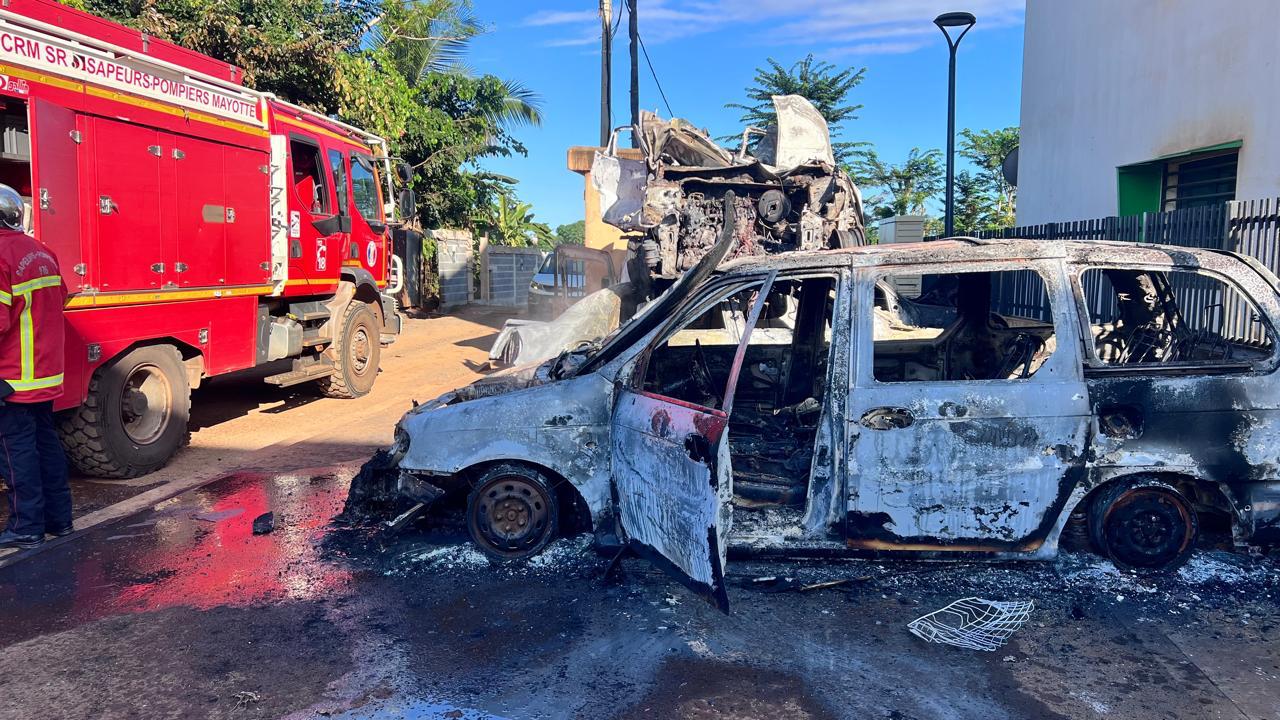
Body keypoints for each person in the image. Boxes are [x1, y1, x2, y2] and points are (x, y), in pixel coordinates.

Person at [0, 183, 70, 549]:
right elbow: (61, 299)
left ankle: (26, 527)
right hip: (44, 376)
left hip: (12, 379)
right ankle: (60, 521)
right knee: (46, 447)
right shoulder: (43, 252)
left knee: (17, 456)